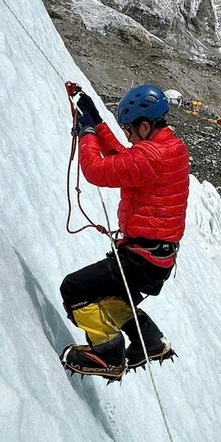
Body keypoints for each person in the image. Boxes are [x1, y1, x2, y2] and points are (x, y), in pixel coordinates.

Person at [61, 84, 190, 379]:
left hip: (140, 260)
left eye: (129, 129)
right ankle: (149, 340)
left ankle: (107, 354)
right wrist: (96, 122)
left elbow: (96, 169)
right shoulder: (168, 148)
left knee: (74, 290)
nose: (127, 136)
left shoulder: (152, 157)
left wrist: (87, 133)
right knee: (112, 300)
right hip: (154, 260)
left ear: (145, 126)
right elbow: (125, 156)